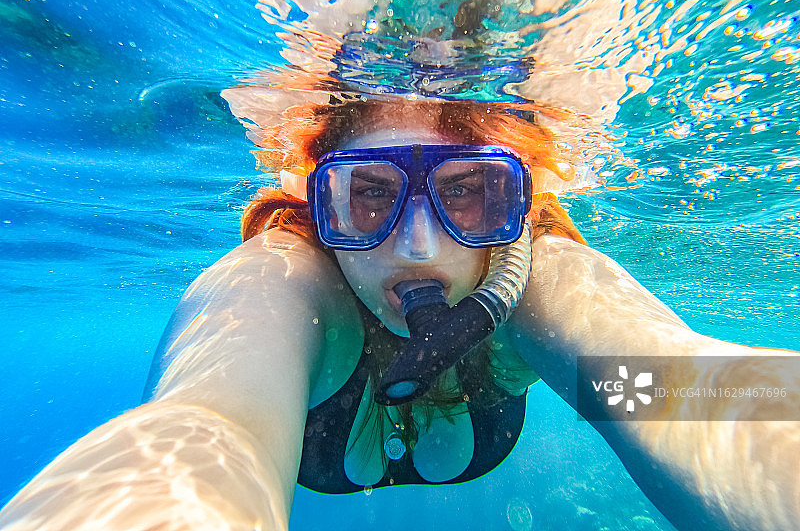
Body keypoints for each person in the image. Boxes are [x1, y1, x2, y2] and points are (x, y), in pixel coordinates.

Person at [1, 94, 798, 531]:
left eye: (468, 192)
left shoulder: (536, 286)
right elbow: (211, 425)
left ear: (516, 205)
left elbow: (672, 388)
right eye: (369, 197)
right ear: (319, 207)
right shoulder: (288, 284)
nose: (416, 246)